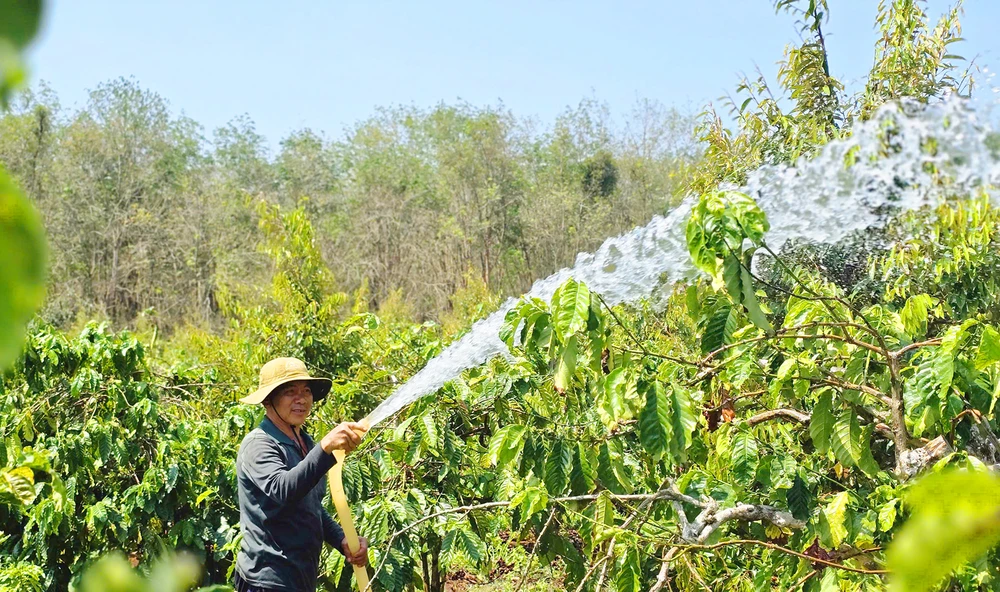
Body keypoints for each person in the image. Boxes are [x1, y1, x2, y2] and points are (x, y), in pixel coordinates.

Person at [234, 357, 370, 592]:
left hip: (300, 579)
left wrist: (341, 539)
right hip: (267, 581)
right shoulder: (259, 444)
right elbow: (283, 489)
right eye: (290, 392)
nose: (301, 399)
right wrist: (325, 448)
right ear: (268, 400)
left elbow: (310, 506)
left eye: (306, 391)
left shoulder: (304, 442)